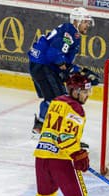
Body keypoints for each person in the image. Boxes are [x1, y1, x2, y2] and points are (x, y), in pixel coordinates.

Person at [26, 74, 93, 196]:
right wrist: (78, 154)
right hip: (61, 160)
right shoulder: (76, 108)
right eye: (86, 91)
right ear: (76, 91)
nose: (88, 95)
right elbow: (66, 138)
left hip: (41, 157)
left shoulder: (56, 102)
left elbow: (53, 131)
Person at [27, 7, 99, 137]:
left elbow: (60, 57)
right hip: (43, 66)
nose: (87, 25)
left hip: (39, 65)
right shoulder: (70, 33)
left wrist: (73, 69)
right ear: (77, 21)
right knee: (59, 98)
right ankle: (50, 131)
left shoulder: (69, 31)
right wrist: (72, 69)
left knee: (54, 97)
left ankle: (40, 127)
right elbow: (54, 54)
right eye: (85, 22)